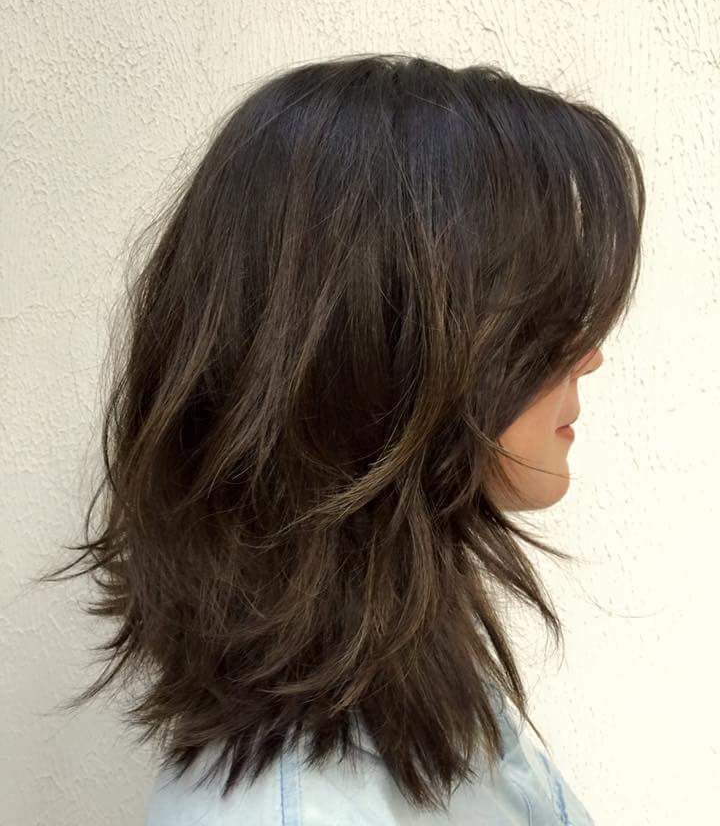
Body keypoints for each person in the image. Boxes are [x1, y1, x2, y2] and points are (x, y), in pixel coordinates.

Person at [48, 53, 645, 824]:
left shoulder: (409, 687)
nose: (590, 353)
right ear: (377, 353)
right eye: (546, 316)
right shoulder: (303, 808)